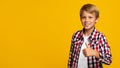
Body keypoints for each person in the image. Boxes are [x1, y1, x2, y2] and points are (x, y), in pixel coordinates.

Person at [68, 3, 112, 68]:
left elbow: (108, 60)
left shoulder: (100, 37)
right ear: (80, 18)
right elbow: (71, 58)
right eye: (84, 17)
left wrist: (95, 53)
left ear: (96, 19)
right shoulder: (76, 35)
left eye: (90, 17)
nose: (86, 20)